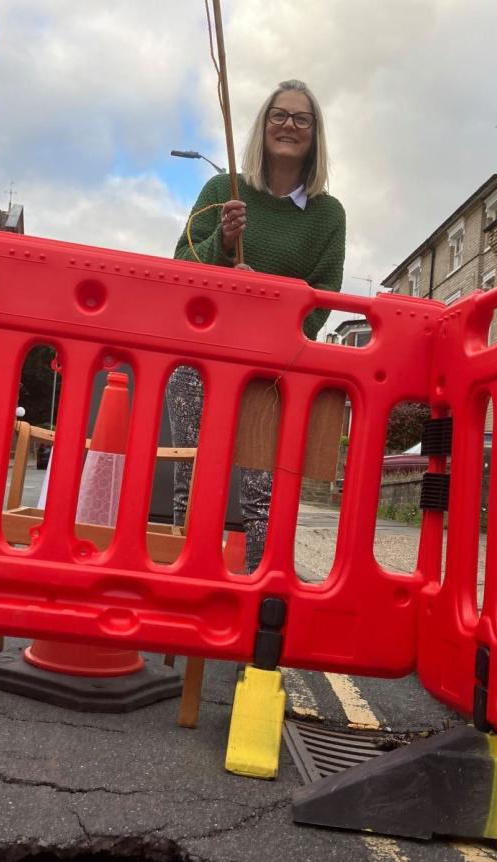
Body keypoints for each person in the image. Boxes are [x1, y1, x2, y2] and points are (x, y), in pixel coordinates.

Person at [169, 78, 346, 573]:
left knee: (263, 499)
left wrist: (265, 300)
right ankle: (182, 595)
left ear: (314, 134)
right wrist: (223, 247)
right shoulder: (222, 191)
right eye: (279, 115)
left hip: (272, 371)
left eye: (301, 118)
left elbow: (322, 300)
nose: (289, 125)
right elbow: (183, 267)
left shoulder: (328, 216)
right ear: (263, 125)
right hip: (201, 360)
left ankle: (253, 613)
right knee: (194, 484)